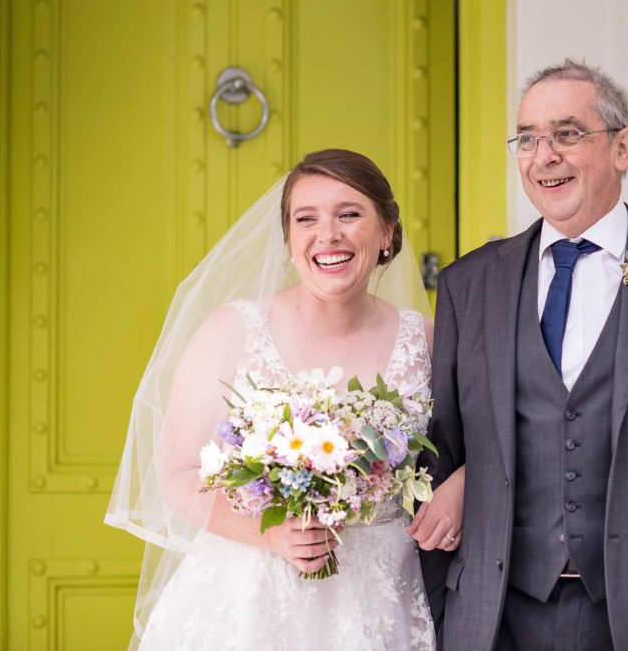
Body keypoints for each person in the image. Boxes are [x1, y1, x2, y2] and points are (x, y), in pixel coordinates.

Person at [419, 60, 628, 650]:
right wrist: (445, 615)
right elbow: (441, 456)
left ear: (624, 148)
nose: (543, 155)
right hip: (500, 615)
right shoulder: (467, 284)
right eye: (526, 138)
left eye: (567, 134)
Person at [106, 148, 463, 649]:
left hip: (381, 598)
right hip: (252, 600)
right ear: (289, 239)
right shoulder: (234, 332)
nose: (329, 234)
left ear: (386, 232)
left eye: (350, 214)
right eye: (306, 219)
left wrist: (463, 484)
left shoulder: (425, 341)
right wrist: (267, 532)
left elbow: (486, 442)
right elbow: (178, 475)